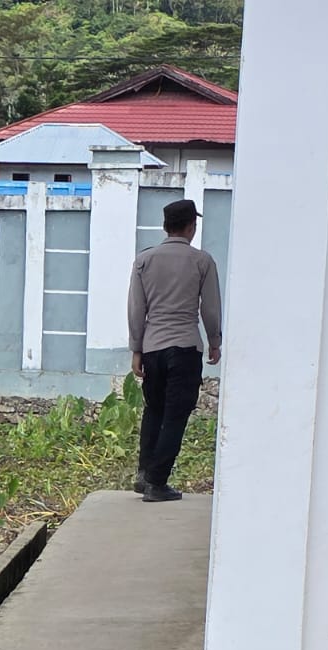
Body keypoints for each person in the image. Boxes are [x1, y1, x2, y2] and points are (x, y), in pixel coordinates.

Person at [127, 197, 223, 503]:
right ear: (191, 226)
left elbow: (135, 309)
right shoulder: (202, 261)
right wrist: (215, 340)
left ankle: (144, 474)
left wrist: (136, 350)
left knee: (153, 410)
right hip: (184, 347)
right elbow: (209, 308)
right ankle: (157, 482)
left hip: (153, 347)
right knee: (175, 415)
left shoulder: (144, 260)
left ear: (165, 226)